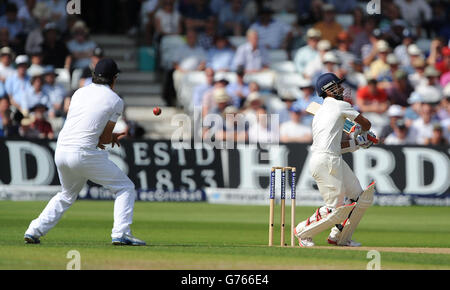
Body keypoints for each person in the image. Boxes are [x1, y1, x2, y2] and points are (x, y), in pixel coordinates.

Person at [24, 58, 146, 246]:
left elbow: (85, 126)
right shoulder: (116, 100)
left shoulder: (78, 93)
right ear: (115, 78)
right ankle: (120, 233)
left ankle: (34, 230)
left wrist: (106, 137)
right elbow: (103, 140)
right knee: (125, 187)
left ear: (93, 75)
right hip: (83, 154)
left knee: (66, 195)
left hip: (62, 150)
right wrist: (111, 137)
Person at [294, 72, 375, 247]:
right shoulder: (340, 106)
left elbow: (335, 146)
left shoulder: (320, 112)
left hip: (329, 158)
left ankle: (339, 237)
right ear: (329, 90)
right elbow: (367, 124)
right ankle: (302, 232)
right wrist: (363, 133)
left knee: (360, 198)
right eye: (337, 85)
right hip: (326, 161)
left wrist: (358, 143)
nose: (341, 88)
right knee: (335, 209)